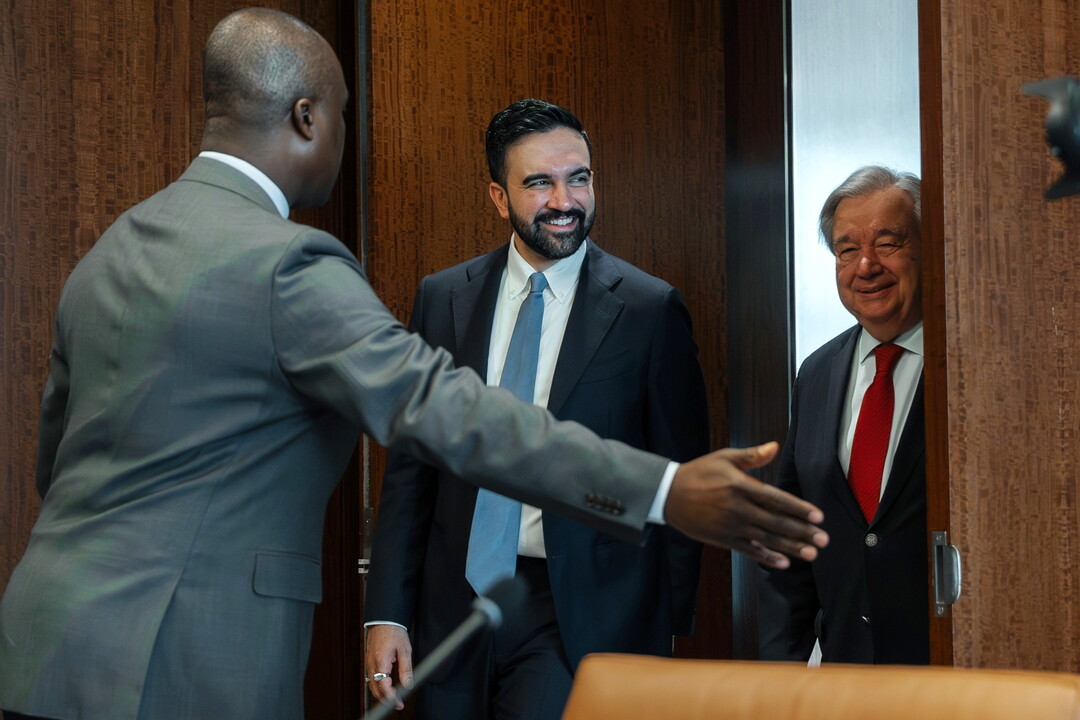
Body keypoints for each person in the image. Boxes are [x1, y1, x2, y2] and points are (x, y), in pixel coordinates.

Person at [0, 9, 827, 720]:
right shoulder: (288, 264)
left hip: (40, 646)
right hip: (187, 656)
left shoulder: (110, 250)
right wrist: (665, 490)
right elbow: (445, 413)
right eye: (343, 112)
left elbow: (58, 460)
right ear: (306, 118)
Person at [364, 99, 709, 719]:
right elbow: (411, 471)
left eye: (578, 178)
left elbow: (678, 482)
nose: (564, 200)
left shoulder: (648, 310)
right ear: (499, 198)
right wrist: (388, 612)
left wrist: (661, 631)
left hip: (577, 611)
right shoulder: (443, 299)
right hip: (452, 607)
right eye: (539, 183)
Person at [758, 165, 929, 665]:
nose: (866, 265)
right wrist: (780, 677)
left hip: (954, 668)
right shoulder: (816, 372)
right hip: (847, 669)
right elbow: (794, 540)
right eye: (847, 250)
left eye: (888, 243)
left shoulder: (971, 367)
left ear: (930, 246)